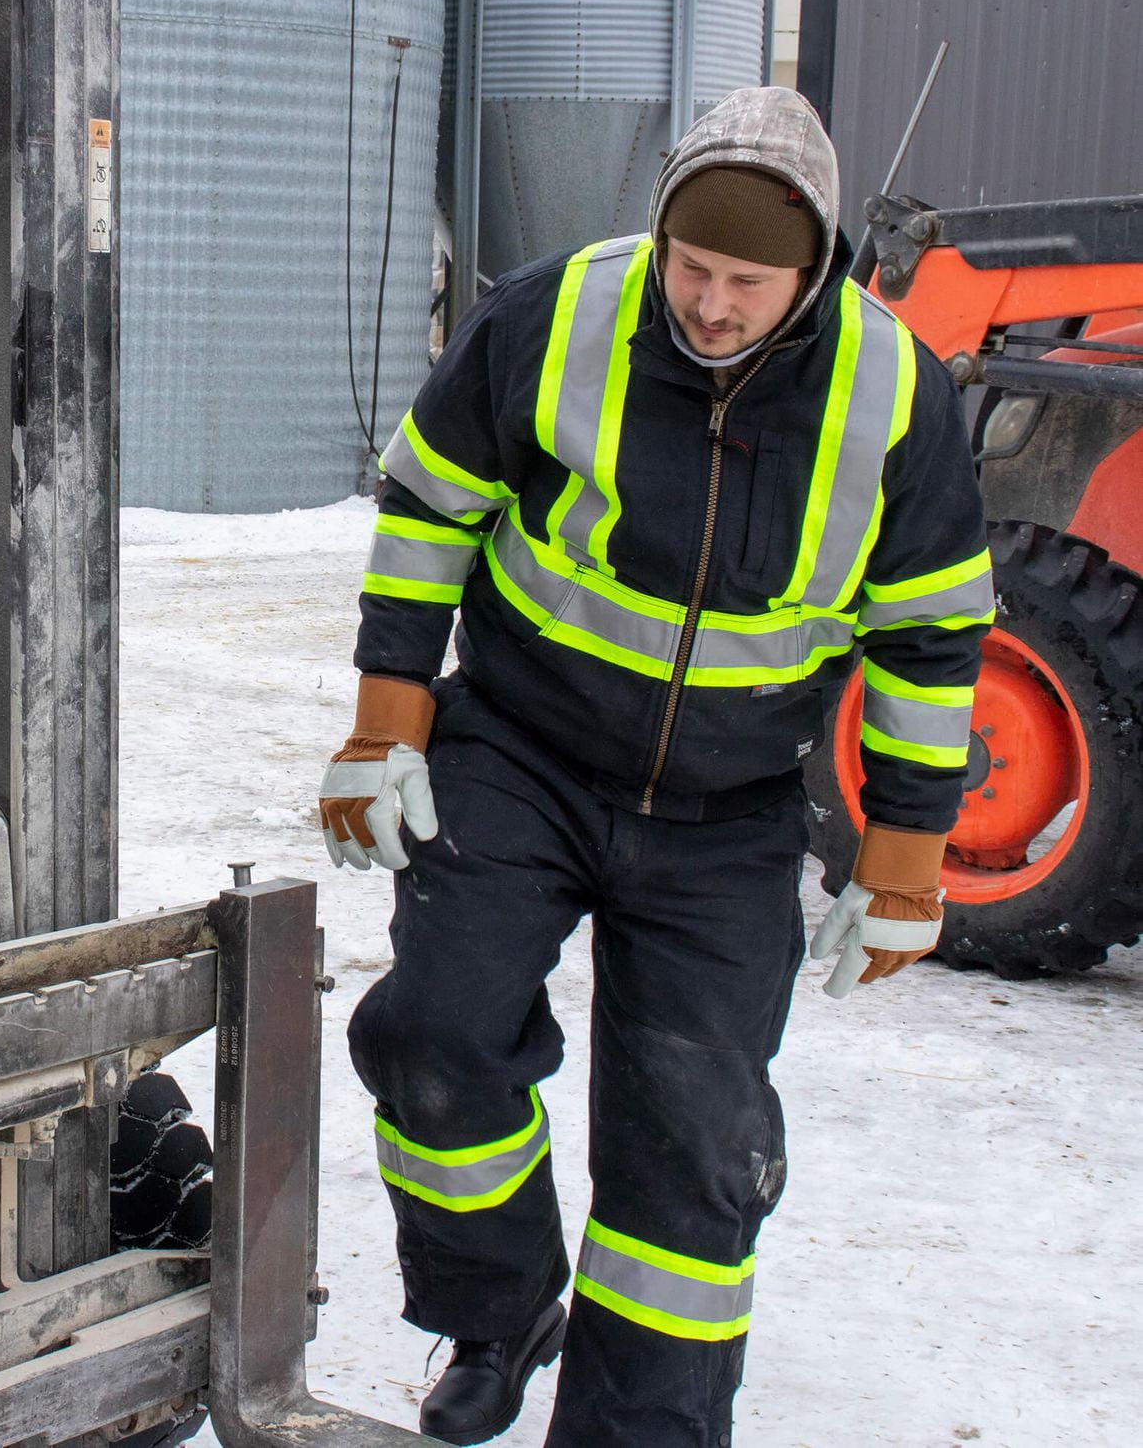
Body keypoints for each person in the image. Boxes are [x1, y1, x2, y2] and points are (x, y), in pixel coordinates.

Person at [318, 86, 992, 1448]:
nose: (714, 305)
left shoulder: (892, 396)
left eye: (749, 282)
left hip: (729, 815)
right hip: (521, 751)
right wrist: (390, 718)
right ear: (660, 234)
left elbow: (930, 638)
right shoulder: (553, 316)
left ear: (816, 271)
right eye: (693, 268)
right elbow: (432, 501)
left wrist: (907, 854)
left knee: (699, 1148)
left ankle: (640, 1431)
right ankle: (498, 1307)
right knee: (433, 1035)